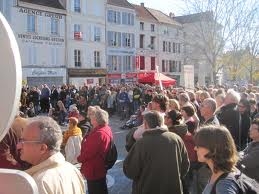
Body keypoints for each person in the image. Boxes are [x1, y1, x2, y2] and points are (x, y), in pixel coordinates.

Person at [123, 111, 190, 194]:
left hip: (147, 189)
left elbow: (130, 171)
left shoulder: (142, 143)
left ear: (145, 124)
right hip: (172, 189)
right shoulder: (176, 138)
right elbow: (185, 166)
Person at [17, 116, 85, 194]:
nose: (18, 146)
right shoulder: (72, 169)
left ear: (42, 148)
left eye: (23, 141)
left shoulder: (39, 183)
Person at [194, 125, 239, 194]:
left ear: (213, 148)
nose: (195, 148)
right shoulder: (219, 172)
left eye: (198, 145)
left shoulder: (224, 185)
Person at [77, 107, 113, 194]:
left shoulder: (99, 133)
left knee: (95, 189)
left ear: (96, 120)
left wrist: (79, 158)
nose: (90, 119)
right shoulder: (106, 128)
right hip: (99, 167)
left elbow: (89, 153)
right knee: (101, 188)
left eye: (92, 118)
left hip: (94, 169)